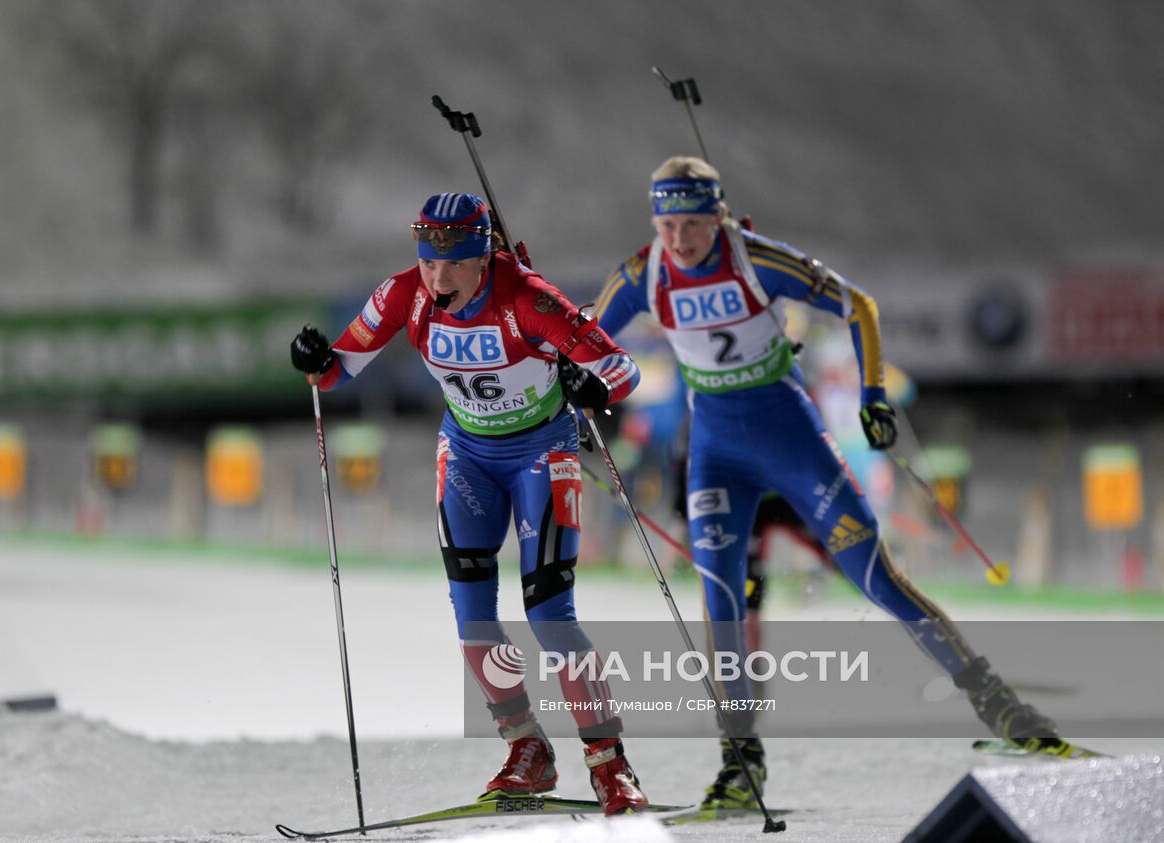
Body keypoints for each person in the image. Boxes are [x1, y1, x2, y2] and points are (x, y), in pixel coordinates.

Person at [594, 157, 1059, 815]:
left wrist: (873, 396)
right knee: (722, 599)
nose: (678, 239)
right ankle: (739, 759)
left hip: (794, 445)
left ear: (717, 217)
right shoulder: (644, 273)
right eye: (666, 224)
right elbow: (582, 338)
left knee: (878, 578)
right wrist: (570, 379)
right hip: (717, 457)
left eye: (692, 224)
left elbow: (858, 306)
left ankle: (998, 703)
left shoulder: (756, 259)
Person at [291, 193, 648, 815]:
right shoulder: (404, 293)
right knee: (472, 614)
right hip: (468, 459)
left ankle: (609, 765)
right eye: (429, 262)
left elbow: (620, 366)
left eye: (453, 264)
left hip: (543, 453)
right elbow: (338, 370)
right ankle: (526, 749)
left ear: (484, 257)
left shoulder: (528, 299)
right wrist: (317, 361)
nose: (438, 278)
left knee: (550, 614)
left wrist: (594, 384)